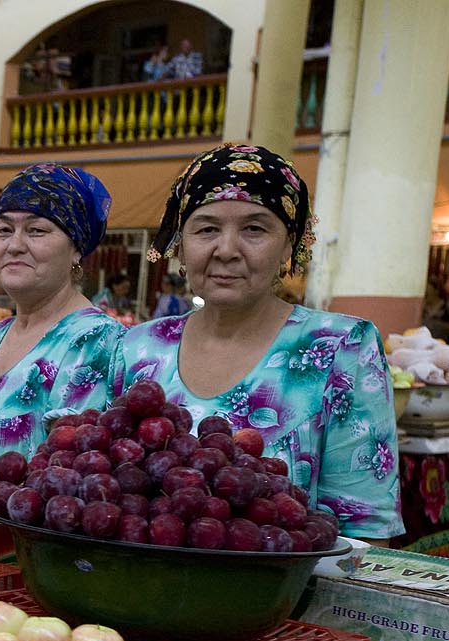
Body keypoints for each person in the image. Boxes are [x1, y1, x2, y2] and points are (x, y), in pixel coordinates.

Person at [119, 143, 401, 540]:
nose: (227, 250)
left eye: (255, 228)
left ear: (289, 244)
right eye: (206, 229)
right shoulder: (137, 348)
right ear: (180, 245)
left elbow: (364, 530)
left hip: (286, 598)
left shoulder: (340, 348)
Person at [0, 164, 123, 464]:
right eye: (4, 230)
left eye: (36, 230)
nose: (15, 245)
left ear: (76, 248)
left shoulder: (95, 342)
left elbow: (69, 475)